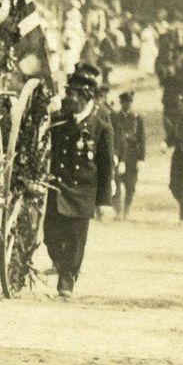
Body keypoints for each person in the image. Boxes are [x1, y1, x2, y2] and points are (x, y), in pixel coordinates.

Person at [41, 66, 115, 297]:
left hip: (82, 192)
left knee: (75, 240)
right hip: (58, 188)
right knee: (50, 235)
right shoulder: (60, 122)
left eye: (72, 94)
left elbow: (106, 168)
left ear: (85, 97)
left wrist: (104, 201)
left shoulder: (101, 128)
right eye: (67, 93)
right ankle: (61, 264)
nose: (67, 98)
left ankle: (67, 279)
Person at [111, 90, 146, 220]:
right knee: (116, 183)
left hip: (132, 155)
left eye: (129, 102)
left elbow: (142, 138)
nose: (127, 104)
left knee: (131, 185)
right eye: (125, 102)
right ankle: (118, 211)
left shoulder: (137, 118)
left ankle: (127, 209)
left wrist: (141, 158)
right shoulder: (115, 117)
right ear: (121, 103)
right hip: (118, 153)